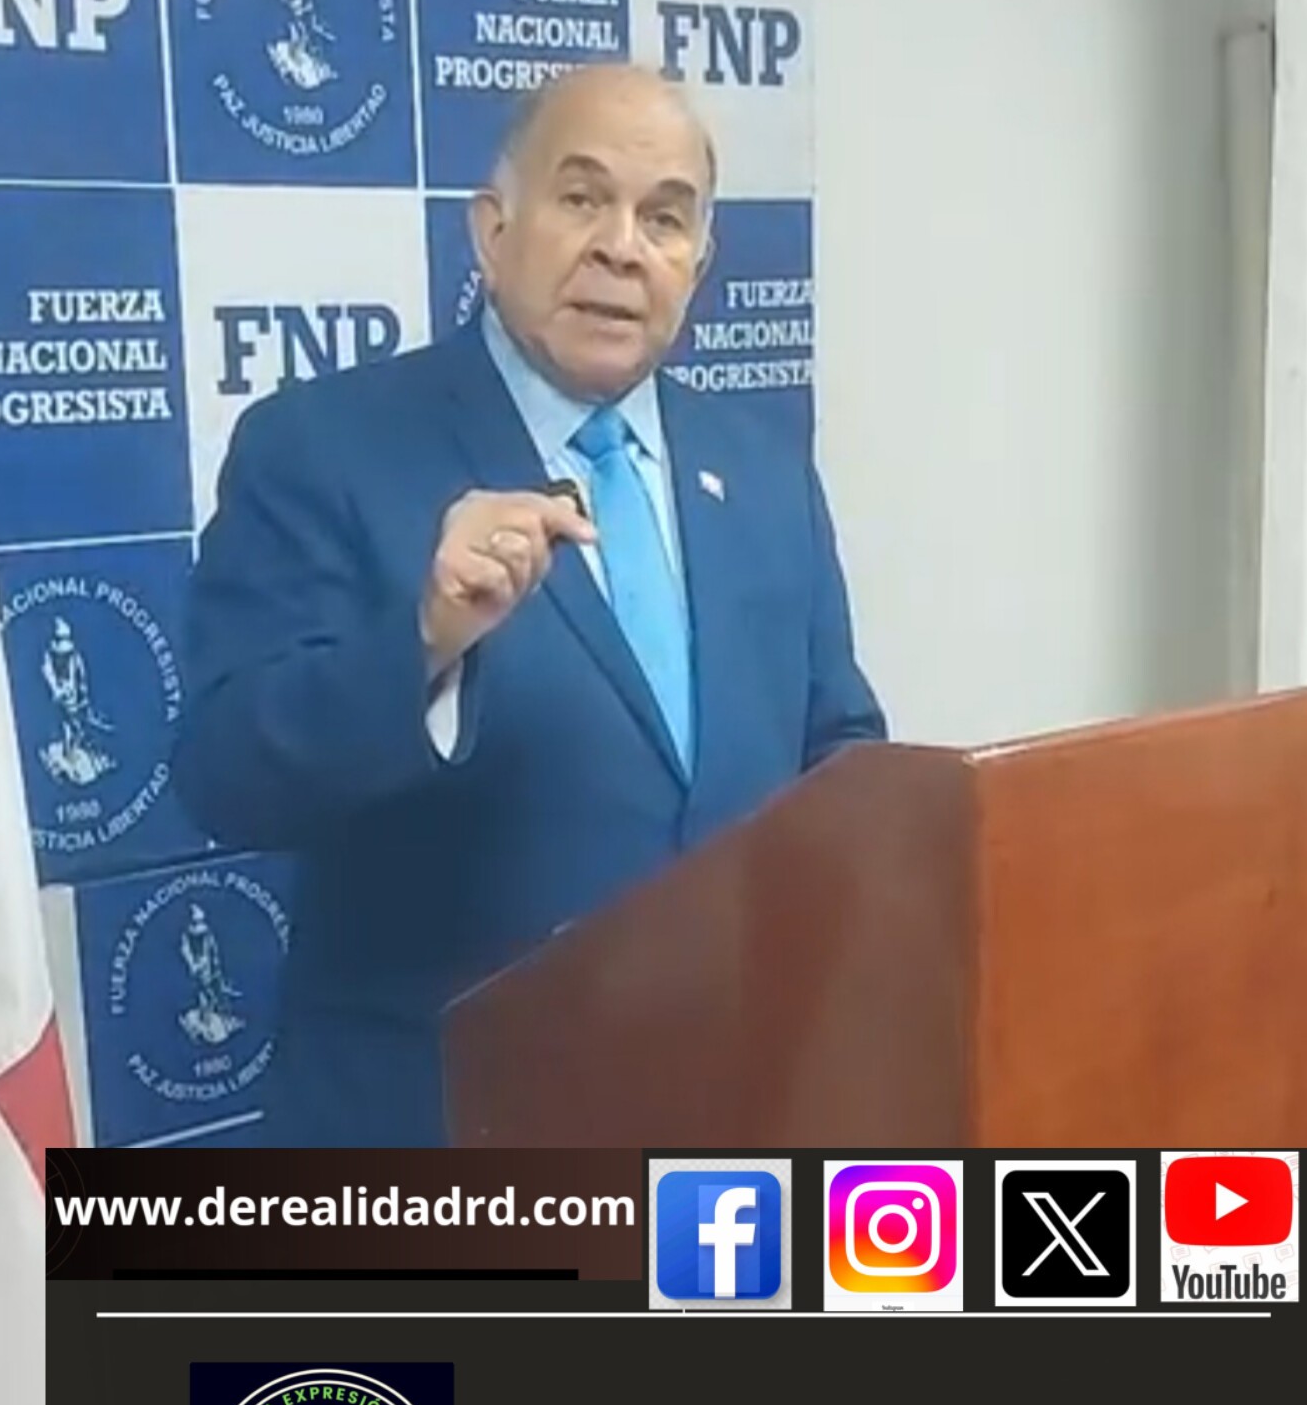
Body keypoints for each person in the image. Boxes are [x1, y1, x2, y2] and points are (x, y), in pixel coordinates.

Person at [175, 63, 885, 1147]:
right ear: (492, 229)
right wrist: (423, 642)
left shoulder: (762, 466)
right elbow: (225, 776)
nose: (620, 248)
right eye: (581, 198)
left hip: (722, 1126)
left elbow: (837, 748)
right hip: (441, 1137)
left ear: (698, 263)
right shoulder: (322, 447)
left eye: (663, 218)